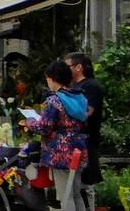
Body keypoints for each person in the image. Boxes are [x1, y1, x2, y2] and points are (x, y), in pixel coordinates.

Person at [27, 60, 88, 211]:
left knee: (65, 195)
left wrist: (30, 122)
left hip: (60, 152)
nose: (47, 82)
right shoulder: (78, 97)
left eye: (47, 78)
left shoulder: (54, 100)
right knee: (76, 194)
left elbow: (44, 127)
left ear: (53, 78)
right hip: (78, 149)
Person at [66, 52, 104, 210]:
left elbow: (86, 112)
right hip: (74, 141)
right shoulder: (72, 87)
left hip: (87, 141)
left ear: (78, 67)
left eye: (67, 66)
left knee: (85, 185)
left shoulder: (91, 86)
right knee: (75, 186)